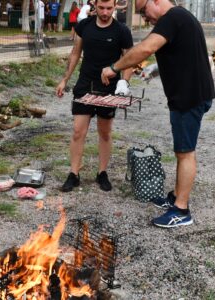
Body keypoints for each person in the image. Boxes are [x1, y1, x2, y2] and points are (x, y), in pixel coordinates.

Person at [101, 0, 215, 228]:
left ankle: (181, 210)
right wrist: (156, 70)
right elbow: (184, 54)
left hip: (189, 97)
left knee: (185, 152)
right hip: (192, 93)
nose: (145, 18)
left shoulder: (173, 17)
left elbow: (145, 48)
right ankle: (176, 196)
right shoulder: (182, 17)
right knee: (182, 149)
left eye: (144, 11)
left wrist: (114, 68)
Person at [55, 0, 133, 193]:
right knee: (77, 131)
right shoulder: (84, 26)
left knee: (104, 133)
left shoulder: (122, 31)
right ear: (95, 6)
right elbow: (75, 53)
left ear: (115, 7)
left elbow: (129, 59)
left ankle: (102, 173)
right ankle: (74, 174)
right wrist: (65, 79)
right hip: (85, 86)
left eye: (109, 8)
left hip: (109, 89)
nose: (105, 12)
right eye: (101, 8)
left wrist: (124, 81)